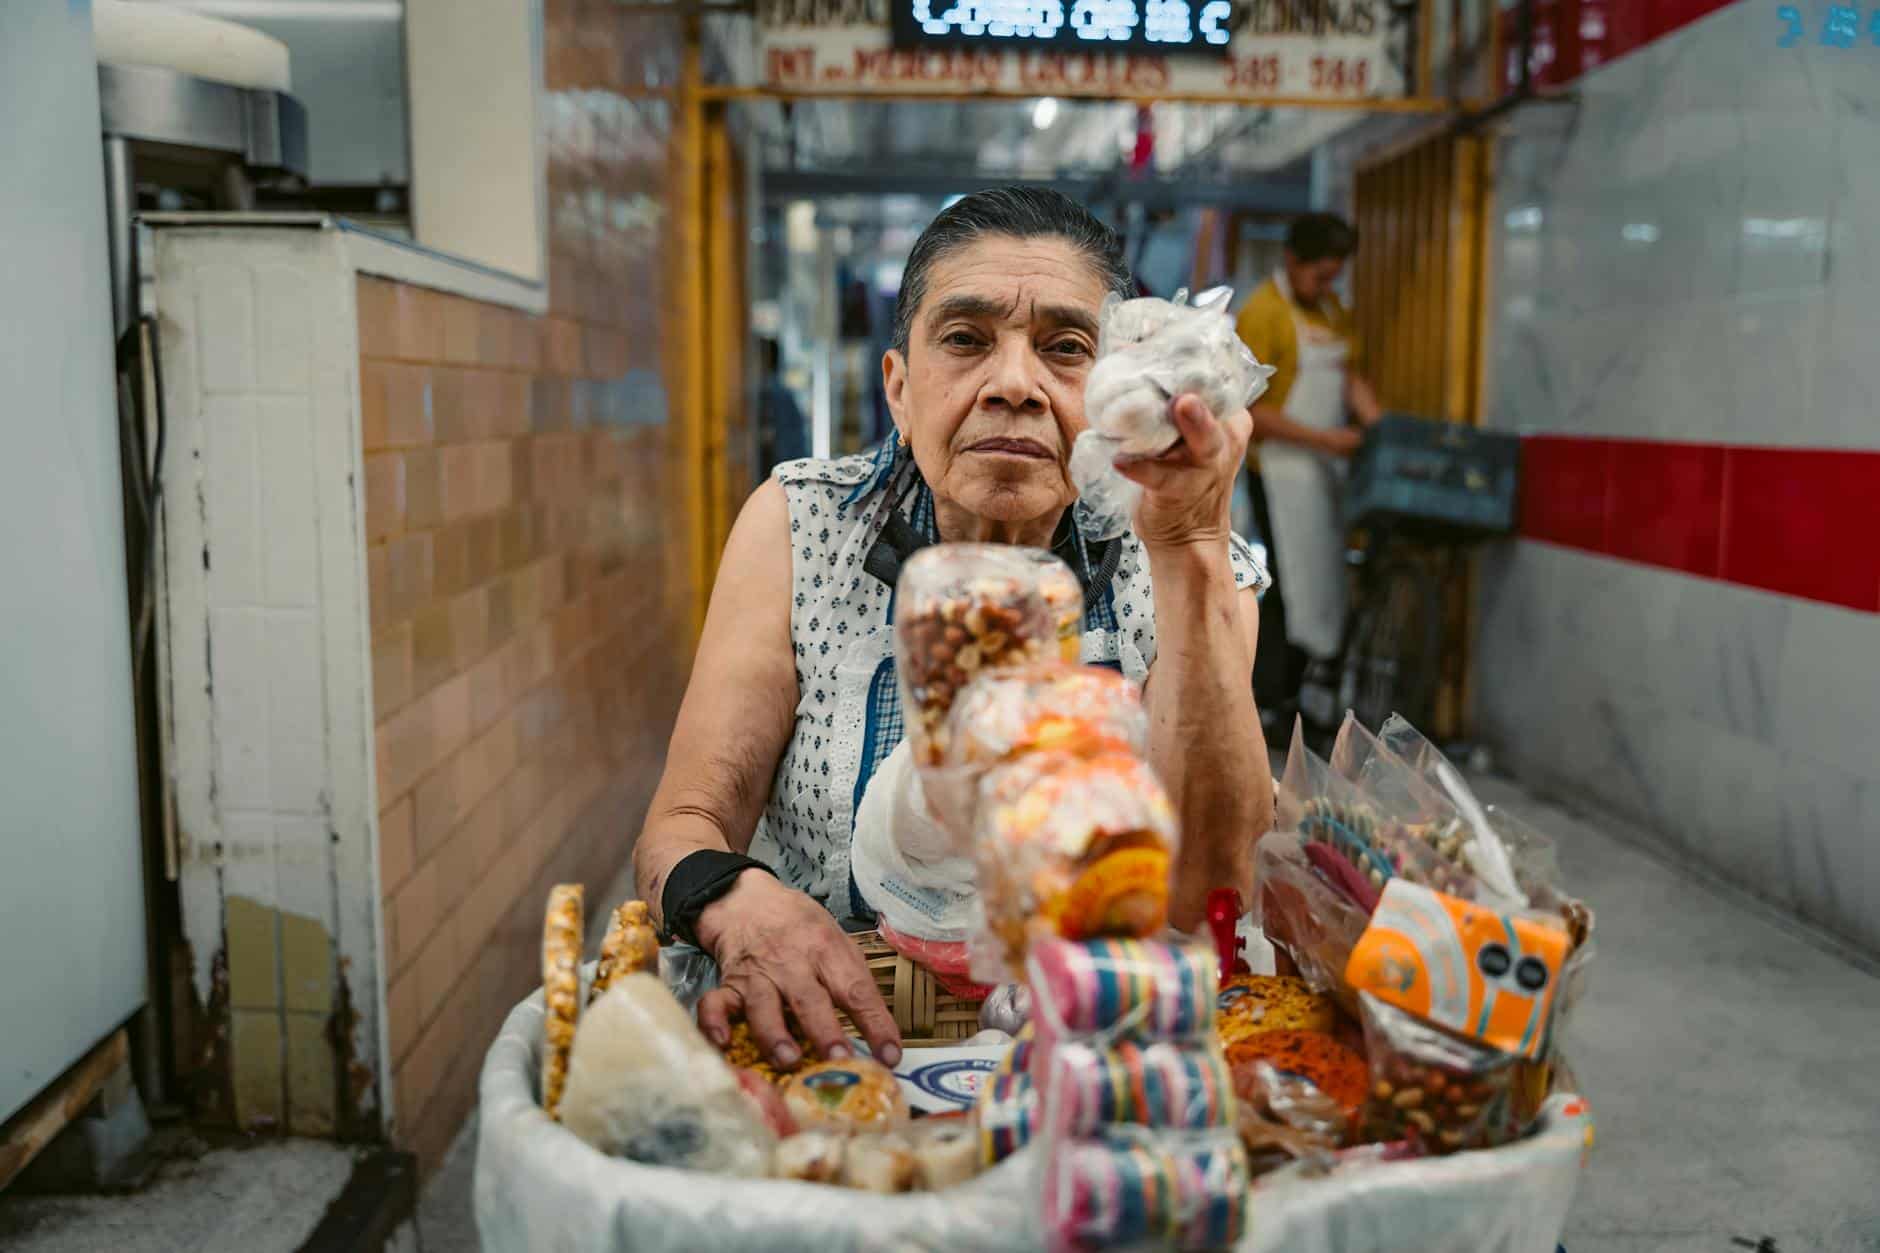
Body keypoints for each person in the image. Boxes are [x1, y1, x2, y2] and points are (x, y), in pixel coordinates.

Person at [633, 188, 1273, 1071]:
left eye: (1065, 348)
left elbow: (1210, 889)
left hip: (1092, 1059)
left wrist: (1189, 544)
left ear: (1121, 389)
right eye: (967, 340)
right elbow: (683, 822)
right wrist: (736, 899)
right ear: (899, 388)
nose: (1014, 384)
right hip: (830, 1041)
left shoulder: (1185, 556)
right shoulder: (804, 526)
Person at [1234, 212, 1383, 698]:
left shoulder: (1331, 310)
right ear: (1292, 259)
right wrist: (1325, 440)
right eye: (1318, 276)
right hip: (1276, 472)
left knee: (1322, 580)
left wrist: (1380, 427)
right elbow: (1249, 409)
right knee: (1286, 584)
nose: (1325, 286)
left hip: (1323, 470)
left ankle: (1309, 694)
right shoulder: (1263, 312)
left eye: (1333, 277)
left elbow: (1348, 375)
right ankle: (1272, 699)